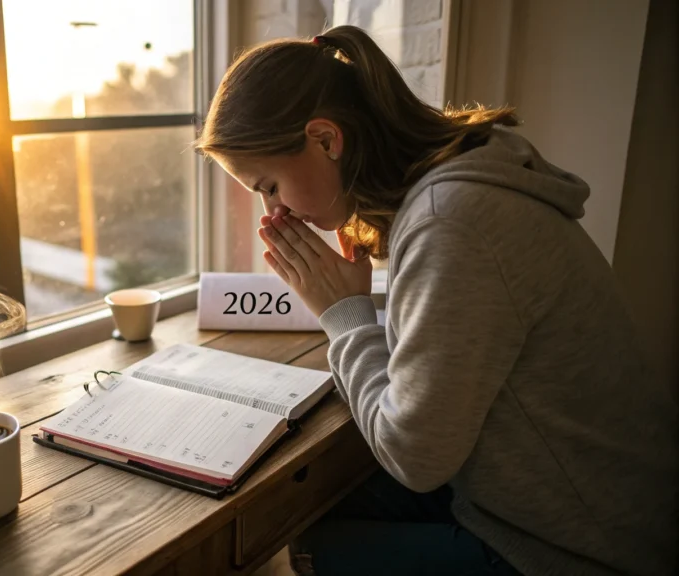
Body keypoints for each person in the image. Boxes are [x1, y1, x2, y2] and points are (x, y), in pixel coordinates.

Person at [196, 26, 677, 576]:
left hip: (584, 548)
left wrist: (344, 316)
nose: (273, 212)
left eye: (268, 185)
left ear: (326, 140)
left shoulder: (450, 221)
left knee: (313, 546)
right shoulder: (465, 181)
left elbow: (415, 457)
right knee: (307, 507)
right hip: (580, 501)